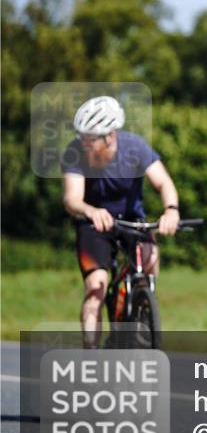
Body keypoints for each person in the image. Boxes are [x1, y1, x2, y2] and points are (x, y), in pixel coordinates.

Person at [61, 96, 182, 348]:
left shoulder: (134, 147)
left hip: (131, 221)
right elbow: (72, 199)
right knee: (97, 287)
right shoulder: (75, 153)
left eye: (90, 139)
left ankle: (141, 305)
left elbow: (163, 182)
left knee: (150, 259)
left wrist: (171, 210)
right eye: (82, 137)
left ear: (111, 135)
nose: (84, 144)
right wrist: (90, 210)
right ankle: (91, 353)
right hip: (93, 224)